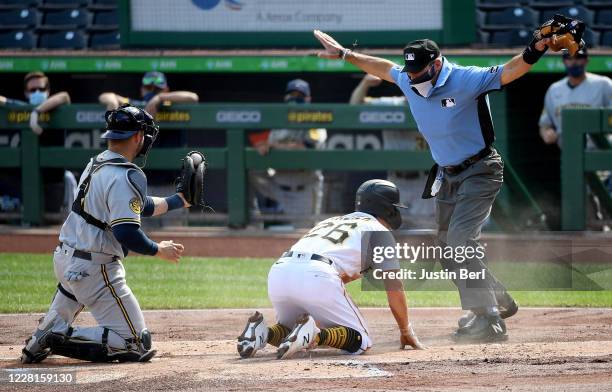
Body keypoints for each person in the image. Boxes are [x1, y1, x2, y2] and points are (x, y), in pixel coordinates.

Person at [311, 23, 561, 341]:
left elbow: (509, 71)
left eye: (418, 71)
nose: (412, 77)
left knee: (459, 242)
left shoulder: (464, 79)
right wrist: (345, 54)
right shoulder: (407, 76)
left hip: (480, 168)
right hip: (447, 173)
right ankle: (495, 298)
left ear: (437, 64)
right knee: (446, 248)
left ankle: (490, 319)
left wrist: (535, 48)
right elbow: (385, 67)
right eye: (410, 71)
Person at [21, 104, 192, 364]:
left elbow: (137, 205)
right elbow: (127, 232)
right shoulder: (127, 174)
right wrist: (159, 250)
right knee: (135, 343)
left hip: (67, 260)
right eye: (145, 134)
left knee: (70, 299)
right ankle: (56, 336)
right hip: (95, 270)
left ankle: (40, 339)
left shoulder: (97, 162)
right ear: (137, 137)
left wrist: (178, 200)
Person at [237, 179, 424, 359]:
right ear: (387, 208)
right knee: (361, 340)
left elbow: (336, 267)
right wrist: (405, 330)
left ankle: (264, 333)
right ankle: (314, 336)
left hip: (280, 272)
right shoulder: (379, 231)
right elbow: (395, 288)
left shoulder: (331, 221)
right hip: (317, 273)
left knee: (290, 330)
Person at [350, 74, 435, 229]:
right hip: (395, 182)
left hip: (424, 181)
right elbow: (355, 106)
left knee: (424, 232)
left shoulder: (434, 107)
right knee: (392, 230)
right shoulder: (391, 104)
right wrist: (365, 84)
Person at [249, 79, 327, 225]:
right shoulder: (279, 122)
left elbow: (304, 148)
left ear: (308, 99)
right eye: (292, 94)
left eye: (300, 95)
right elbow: (267, 149)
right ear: (286, 98)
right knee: (247, 168)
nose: (295, 98)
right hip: (276, 184)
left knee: (304, 237)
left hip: (302, 190)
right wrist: (262, 149)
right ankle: (251, 221)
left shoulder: (316, 122)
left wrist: (273, 145)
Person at [539, 47, 612, 146]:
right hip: (568, 152)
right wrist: (547, 133)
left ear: (587, 60)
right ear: (564, 61)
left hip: (598, 151)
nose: (574, 62)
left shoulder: (604, 84)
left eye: (578, 57)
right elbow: (545, 124)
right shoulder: (554, 90)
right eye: (569, 58)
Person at [0, 71, 71, 136]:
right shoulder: (22, 107)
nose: (37, 92)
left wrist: (36, 112)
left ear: (48, 91)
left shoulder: (57, 106)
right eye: (33, 90)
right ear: (26, 93)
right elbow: (3, 100)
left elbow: (65, 96)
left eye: (41, 89)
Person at [98, 71, 199, 116]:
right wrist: (112, 102)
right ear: (142, 90)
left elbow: (193, 97)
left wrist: (160, 97)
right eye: (149, 88)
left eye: (157, 89)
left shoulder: (170, 103)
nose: (152, 91)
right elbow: (106, 96)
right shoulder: (132, 103)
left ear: (166, 90)